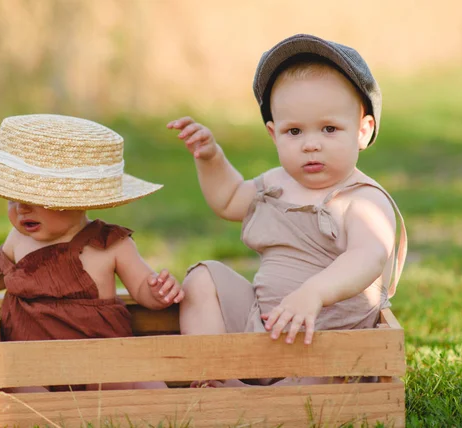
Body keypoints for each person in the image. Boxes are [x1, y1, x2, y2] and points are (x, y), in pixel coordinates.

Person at [167, 34, 407, 387]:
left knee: (318, 383)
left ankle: (261, 400)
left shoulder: (363, 199)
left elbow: (368, 256)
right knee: (202, 278)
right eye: (294, 131)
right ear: (273, 134)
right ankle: (214, 377)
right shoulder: (275, 184)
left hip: (324, 341)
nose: (311, 144)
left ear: (363, 129)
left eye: (329, 128)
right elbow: (229, 198)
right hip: (260, 323)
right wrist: (211, 159)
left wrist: (314, 293)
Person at [0, 114, 183, 391]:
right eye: (13, 198)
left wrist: (158, 293)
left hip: (100, 359)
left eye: (35, 200)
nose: (21, 209)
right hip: (32, 361)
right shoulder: (18, 240)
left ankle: (167, 408)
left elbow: (142, 289)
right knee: (13, 388)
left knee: (141, 383)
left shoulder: (111, 244)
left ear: (79, 199)